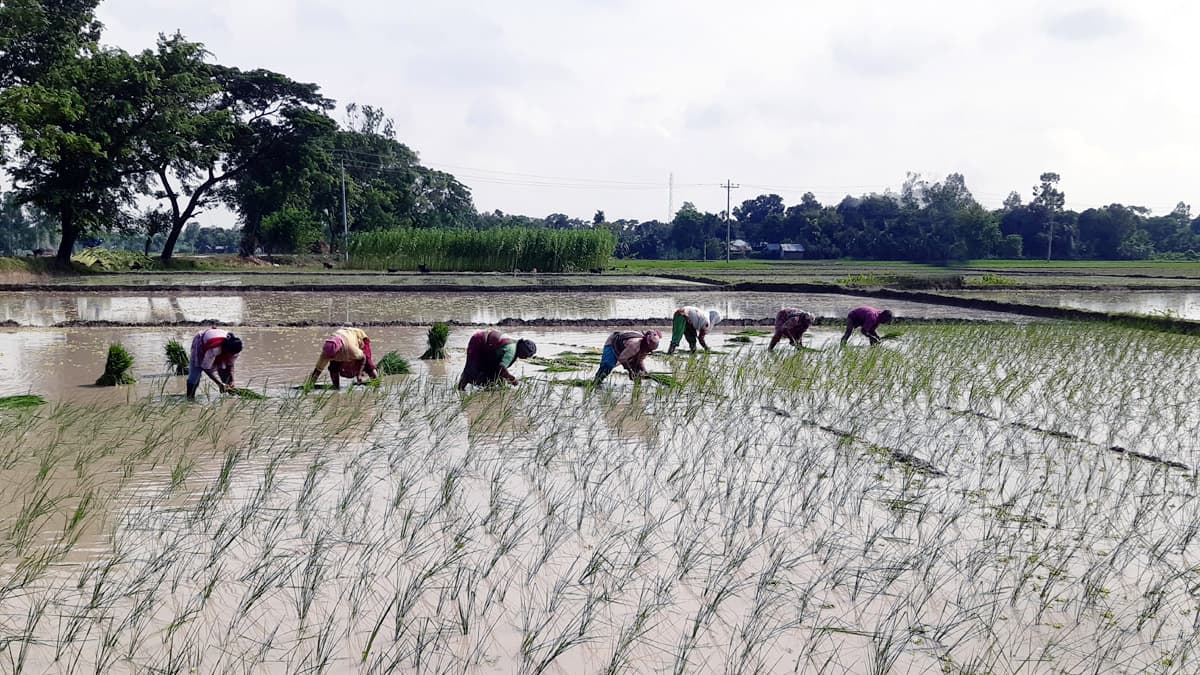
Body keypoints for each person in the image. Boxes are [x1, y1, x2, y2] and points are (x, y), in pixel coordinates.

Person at [457, 330, 538, 390]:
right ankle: (461, 389)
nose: (526, 357)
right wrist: (512, 379)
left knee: (492, 376)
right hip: (479, 341)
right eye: (526, 355)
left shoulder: (514, 346)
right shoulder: (511, 351)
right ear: (522, 350)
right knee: (471, 370)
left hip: (488, 346)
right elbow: (501, 368)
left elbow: (499, 371)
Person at [307, 327, 378, 390]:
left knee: (368, 365)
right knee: (333, 367)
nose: (331, 358)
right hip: (342, 336)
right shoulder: (326, 352)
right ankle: (336, 388)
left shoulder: (350, 349)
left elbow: (363, 358)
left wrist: (359, 375)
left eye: (333, 356)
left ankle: (377, 385)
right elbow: (317, 370)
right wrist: (309, 385)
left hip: (358, 336)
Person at [187, 326, 243, 400]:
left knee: (226, 373)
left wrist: (232, 380)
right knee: (195, 374)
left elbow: (230, 365)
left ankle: (229, 399)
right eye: (230, 354)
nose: (232, 356)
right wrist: (219, 384)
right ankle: (190, 399)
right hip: (201, 343)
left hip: (216, 341)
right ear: (225, 349)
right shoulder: (214, 350)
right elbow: (205, 367)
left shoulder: (235, 350)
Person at [593, 330, 661, 385]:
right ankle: (596, 383)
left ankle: (637, 389)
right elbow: (622, 359)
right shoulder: (634, 345)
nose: (648, 351)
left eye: (650, 350)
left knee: (637, 371)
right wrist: (630, 371)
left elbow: (640, 360)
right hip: (613, 343)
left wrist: (645, 371)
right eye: (648, 349)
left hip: (625, 350)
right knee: (608, 365)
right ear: (646, 344)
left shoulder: (645, 348)